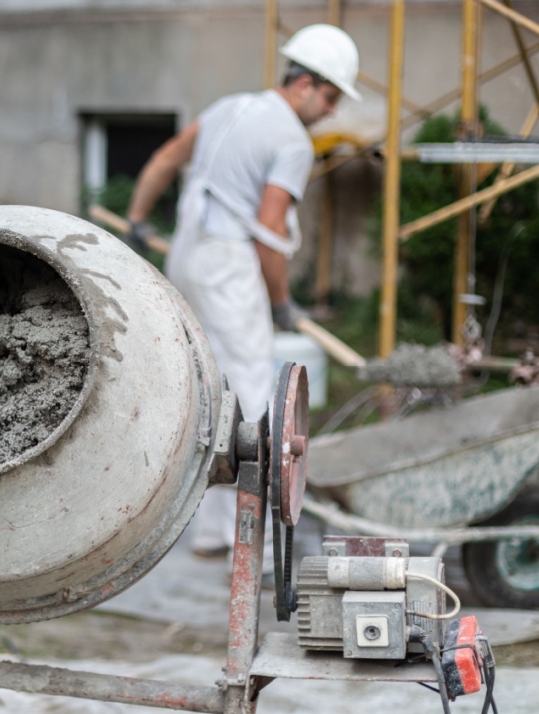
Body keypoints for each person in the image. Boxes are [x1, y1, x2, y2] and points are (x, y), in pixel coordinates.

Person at [125, 24, 360, 558]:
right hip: (229, 264)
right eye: (329, 96)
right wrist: (280, 303)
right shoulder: (292, 141)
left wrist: (139, 218)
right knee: (254, 395)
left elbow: (165, 159)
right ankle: (249, 540)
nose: (331, 110)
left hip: (187, 255)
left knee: (208, 390)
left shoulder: (229, 107)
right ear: (304, 83)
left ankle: (211, 531)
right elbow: (271, 236)